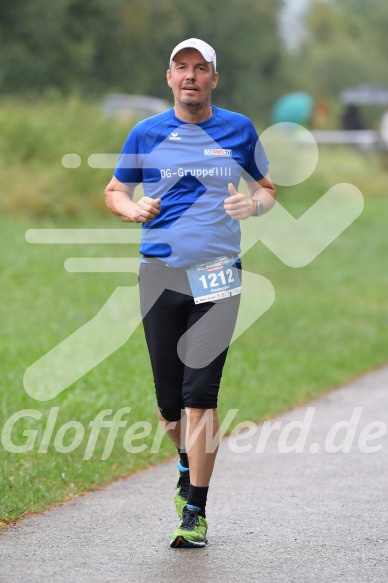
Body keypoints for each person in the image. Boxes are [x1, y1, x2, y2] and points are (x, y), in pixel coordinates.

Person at [105, 38, 276, 548]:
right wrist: (130, 209)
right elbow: (115, 190)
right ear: (169, 77)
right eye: (182, 68)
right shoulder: (145, 133)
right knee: (168, 406)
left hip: (219, 274)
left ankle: (195, 510)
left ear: (214, 79)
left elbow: (267, 187)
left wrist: (254, 206)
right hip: (160, 275)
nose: (191, 77)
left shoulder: (239, 129)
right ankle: (185, 460)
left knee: (200, 394)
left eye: (201, 69)